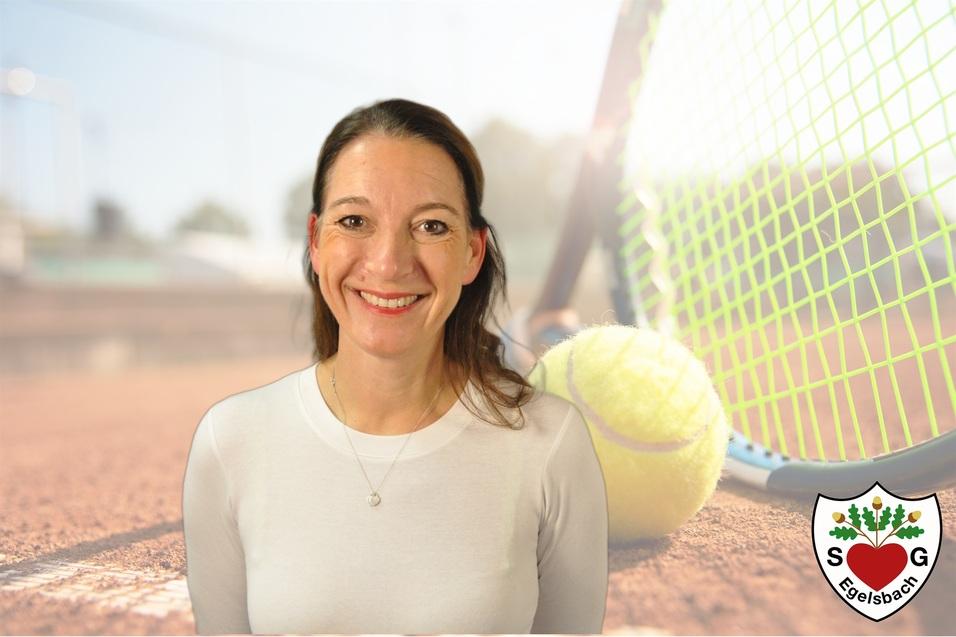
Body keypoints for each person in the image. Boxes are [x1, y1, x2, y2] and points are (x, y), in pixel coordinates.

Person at [182, 98, 608, 635]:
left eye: (431, 226)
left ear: (473, 252)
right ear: (315, 241)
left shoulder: (551, 441)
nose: (387, 263)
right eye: (354, 221)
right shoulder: (230, 440)